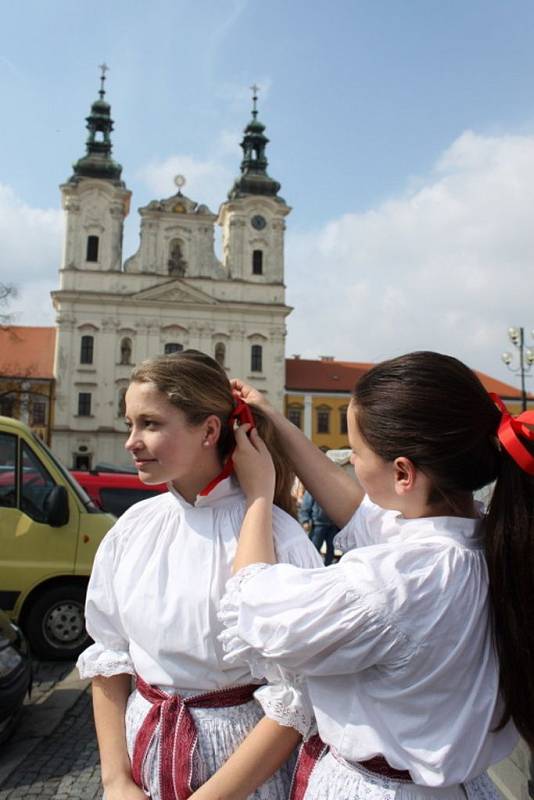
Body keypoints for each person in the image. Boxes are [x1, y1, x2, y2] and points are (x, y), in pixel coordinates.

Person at [215, 351, 534, 800]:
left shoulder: (393, 581)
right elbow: (361, 514)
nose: (352, 463)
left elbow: (254, 604)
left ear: (403, 472)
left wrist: (258, 495)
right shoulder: (486, 540)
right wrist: (276, 420)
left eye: (356, 452)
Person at [76, 350, 322, 800]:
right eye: (130, 422)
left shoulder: (278, 537)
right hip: (144, 755)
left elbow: (299, 696)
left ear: (209, 430)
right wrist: (115, 780)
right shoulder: (133, 527)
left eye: (150, 423)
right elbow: (109, 655)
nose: (131, 440)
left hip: (238, 772)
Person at [298, 490, 339, 565]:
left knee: (331, 549)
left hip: (333, 524)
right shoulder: (314, 487)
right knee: (314, 548)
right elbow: (306, 504)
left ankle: (328, 567)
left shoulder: (336, 488)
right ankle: (311, 566)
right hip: (318, 524)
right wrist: (305, 519)